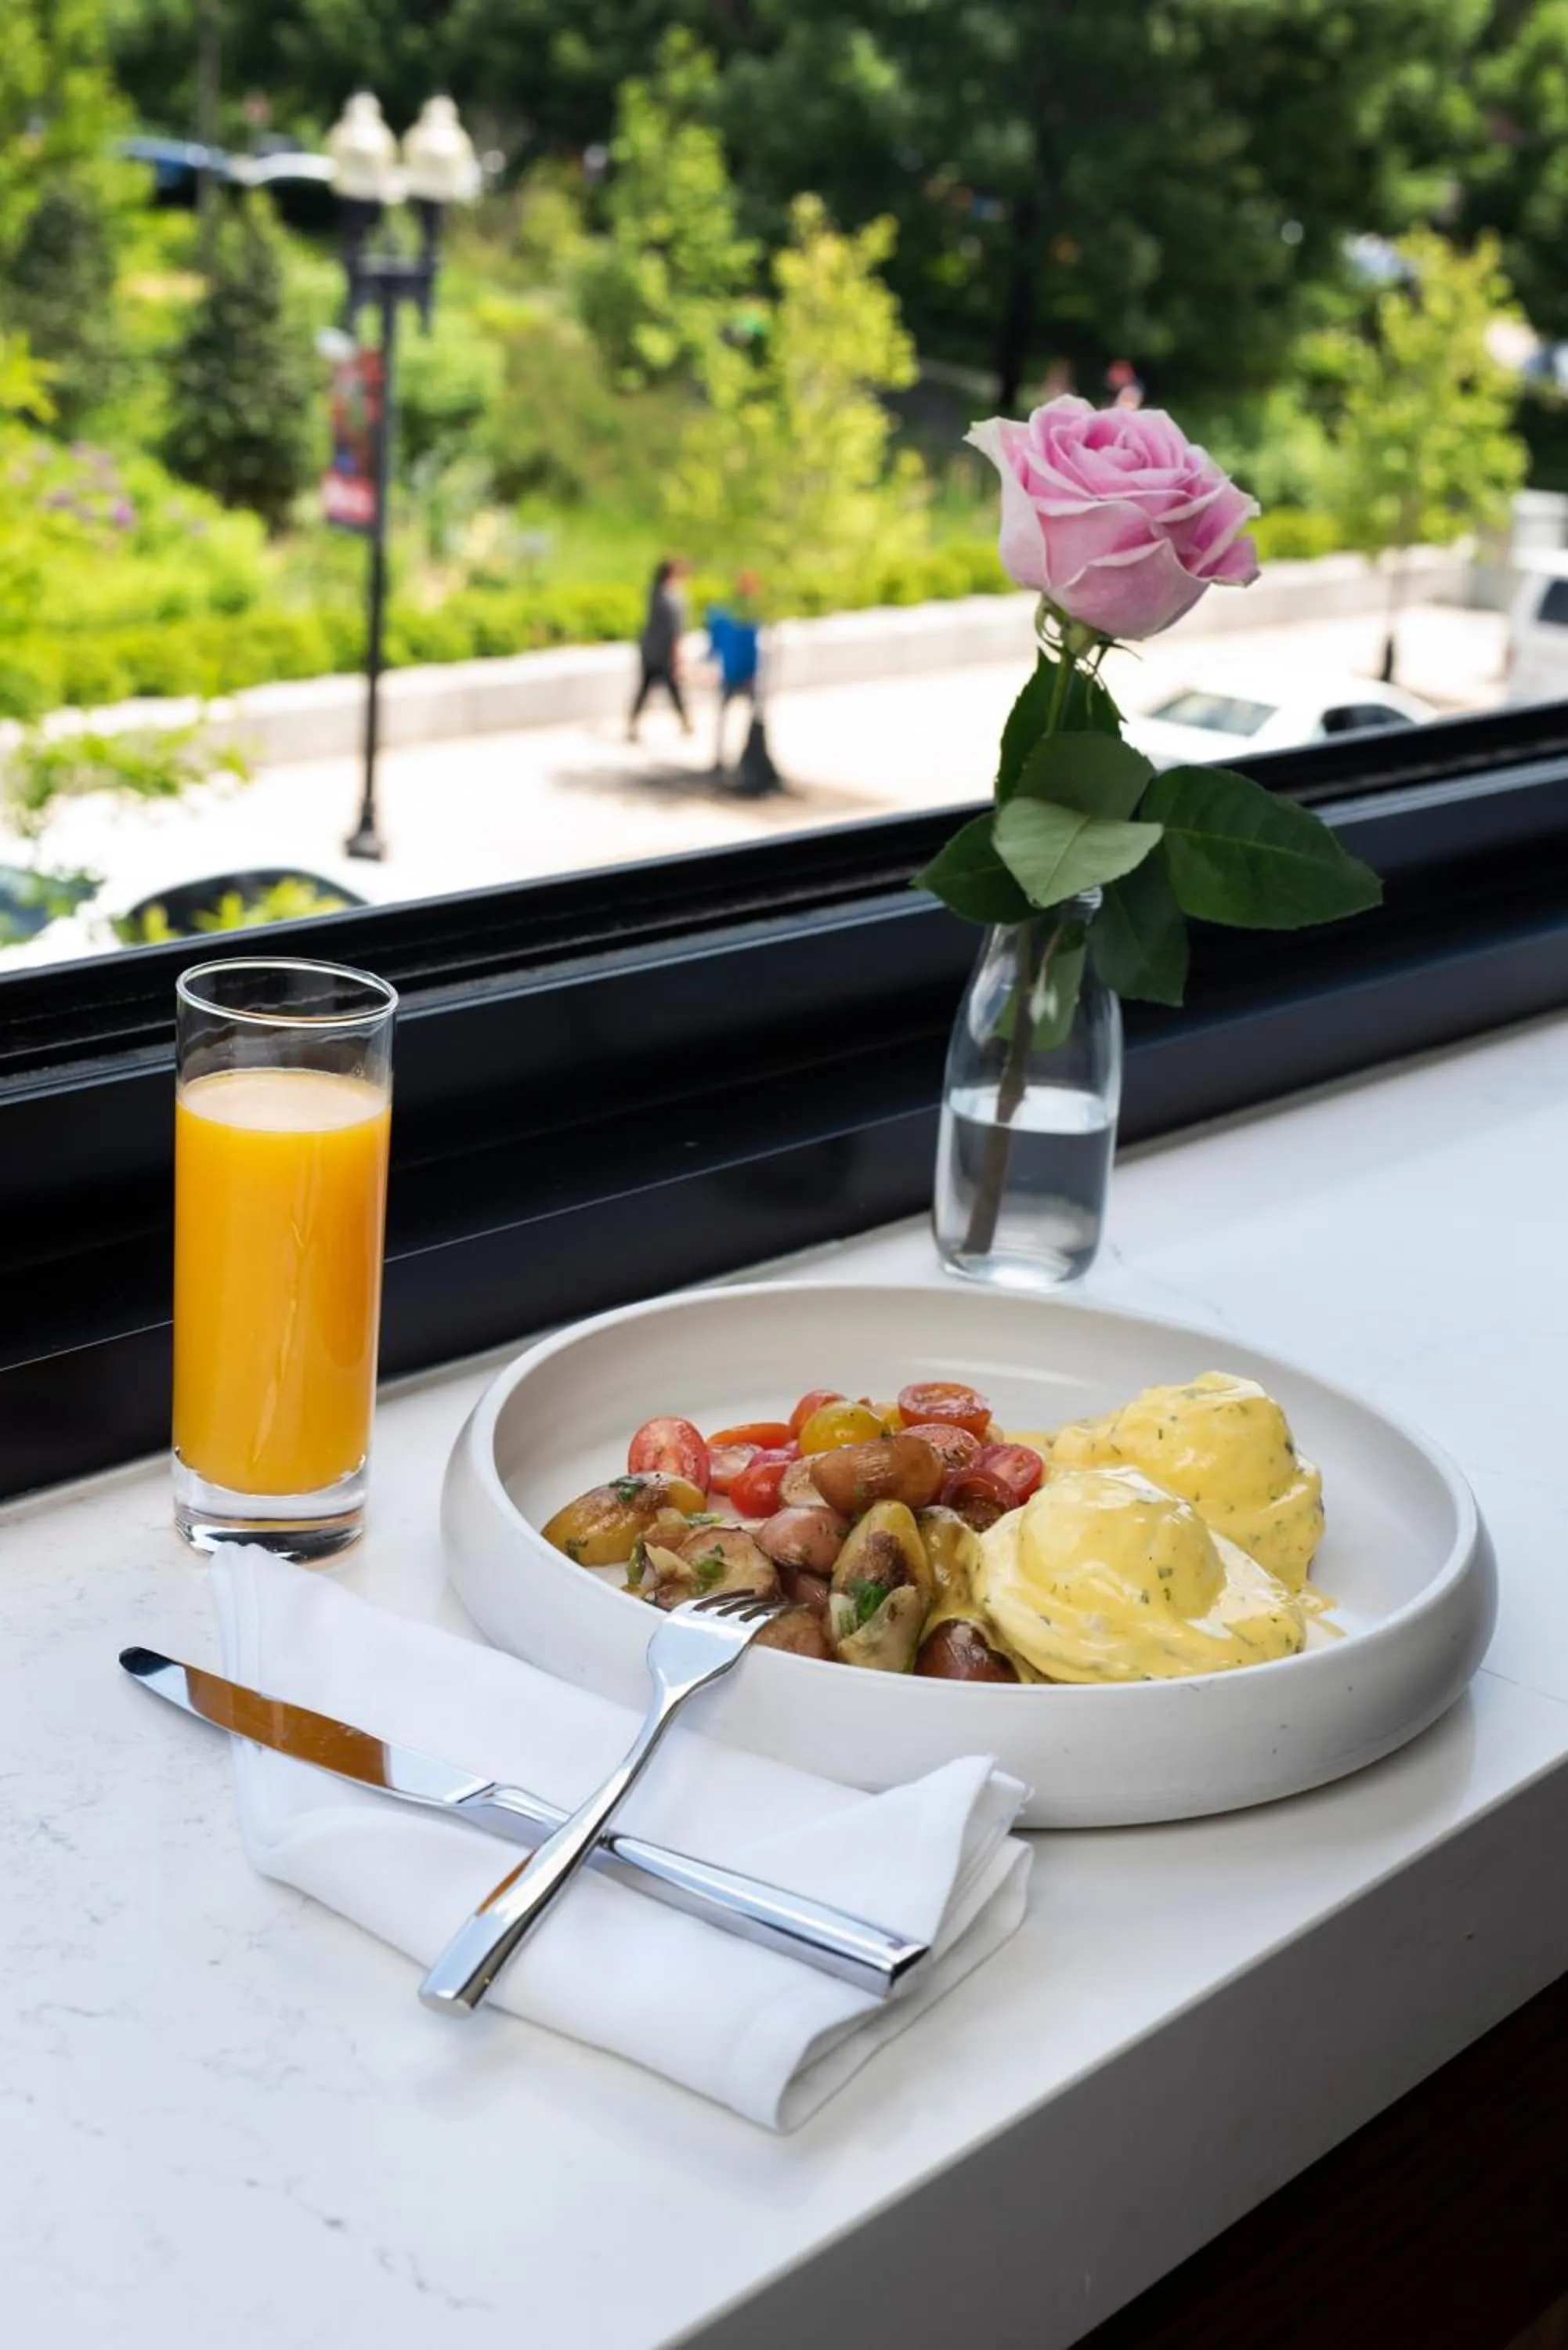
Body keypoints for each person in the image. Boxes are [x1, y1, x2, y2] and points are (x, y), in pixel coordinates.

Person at [627, 559, 692, 740]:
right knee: (673, 689)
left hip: (649, 650)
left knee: (645, 688)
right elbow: (675, 631)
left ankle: (632, 725)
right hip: (664, 653)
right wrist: (678, 657)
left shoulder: (654, 593)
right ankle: (686, 722)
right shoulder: (673, 599)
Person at [706, 571, 763, 773]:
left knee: (739, 716)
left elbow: (715, 642)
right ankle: (727, 756)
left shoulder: (728, 611)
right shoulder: (740, 612)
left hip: (740, 670)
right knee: (737, 715)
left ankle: (738, 756)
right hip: (740, 671)